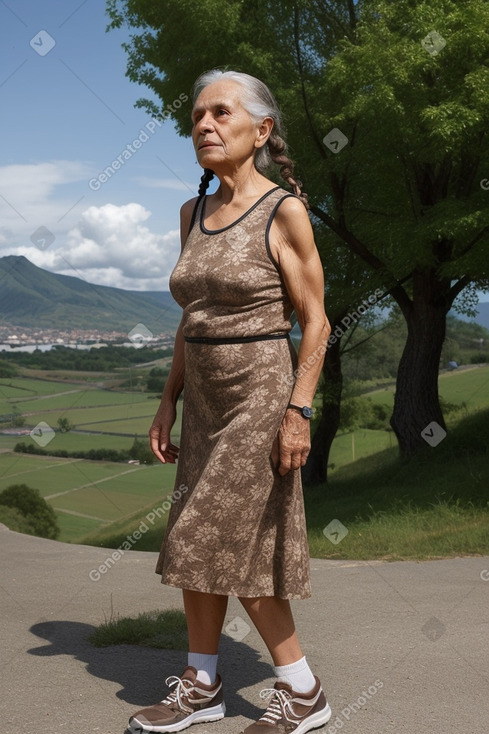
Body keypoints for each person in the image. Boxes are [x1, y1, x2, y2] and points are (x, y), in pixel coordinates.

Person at [129, 69, 331, 734]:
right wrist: (168, 402)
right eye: (196, 118)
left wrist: (297, 411)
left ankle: (301, 690)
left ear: (261, 130)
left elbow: (316, 322)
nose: (204, 126)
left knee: (231, 537)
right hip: (206, 401)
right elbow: (193, 321)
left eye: (220, 113)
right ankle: (203, 685)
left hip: (260, 393)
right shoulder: (191, 214)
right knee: (197, 542)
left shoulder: (284, 211)